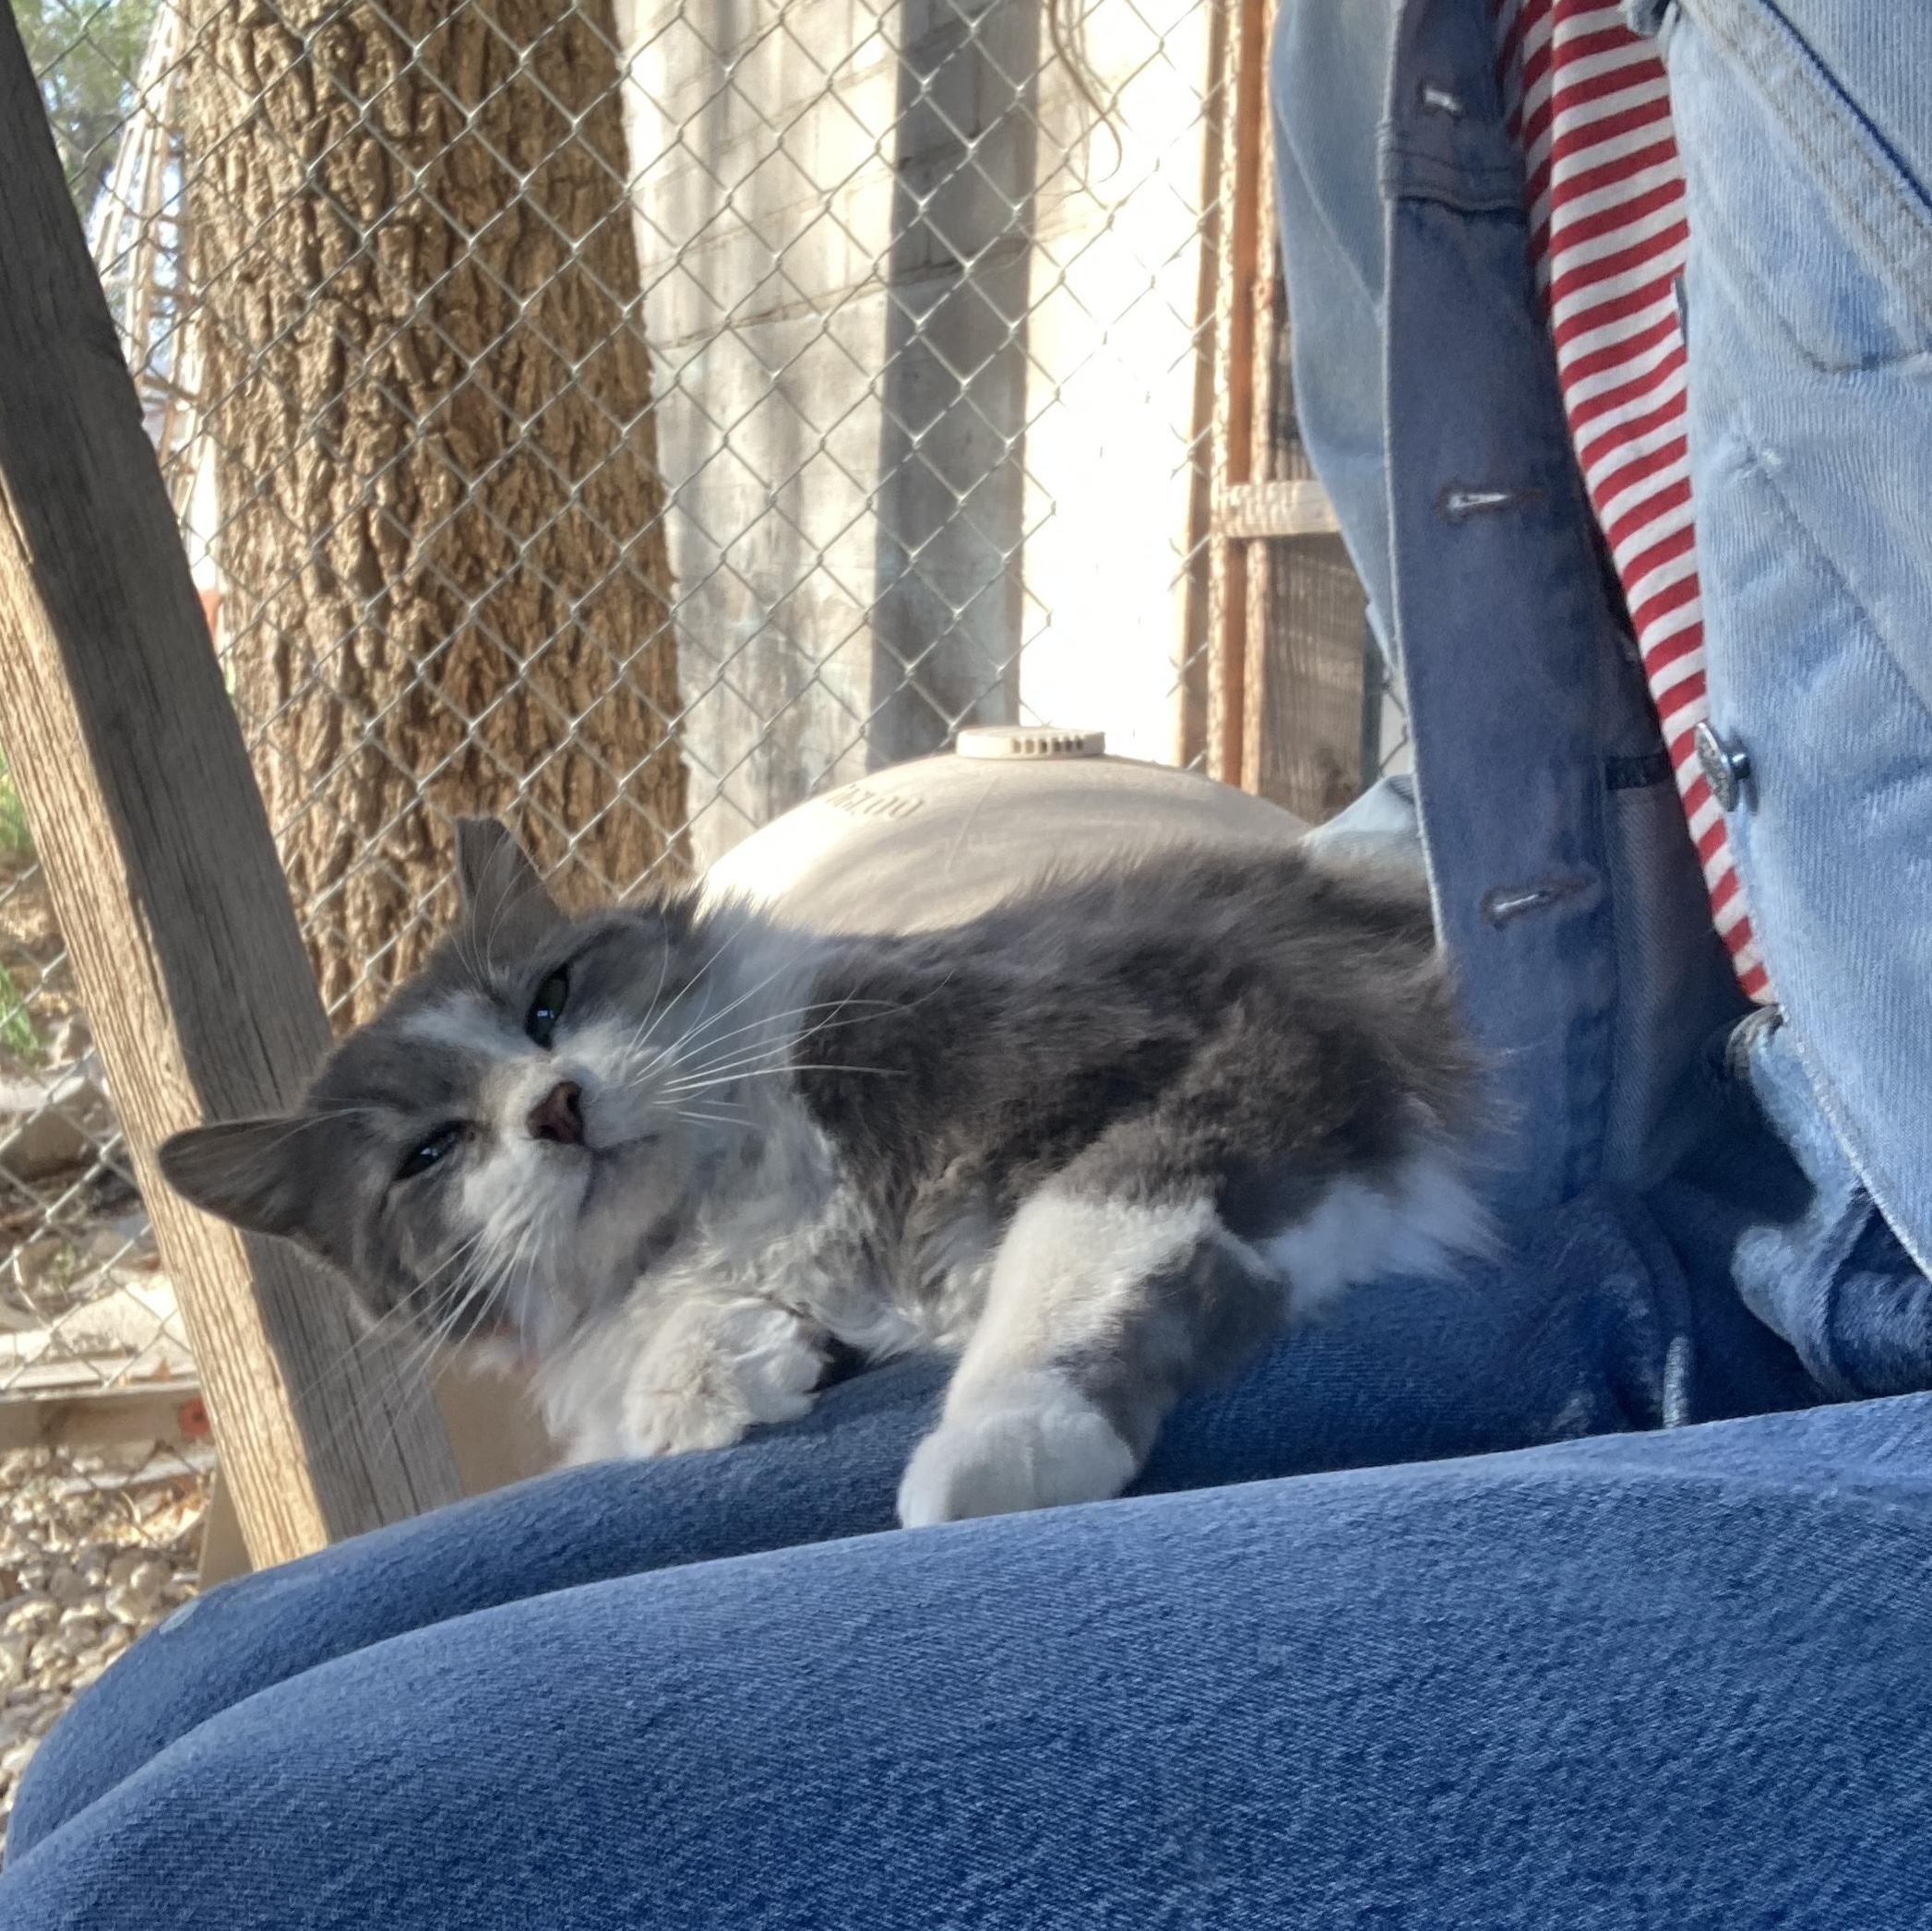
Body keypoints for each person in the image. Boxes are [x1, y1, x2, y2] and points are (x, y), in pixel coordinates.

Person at [6, 1, 1930, 1921]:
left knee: (211, 1872)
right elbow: (1477, 760)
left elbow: (1242, 1078)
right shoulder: (1373, 40)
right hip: (1665, 1163)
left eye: (547, 1013)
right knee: (157, 1719)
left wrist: (1062, 1340)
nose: (549, 1089)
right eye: (441, 1150)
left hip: (1833, 1256)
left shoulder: (842, 1042)